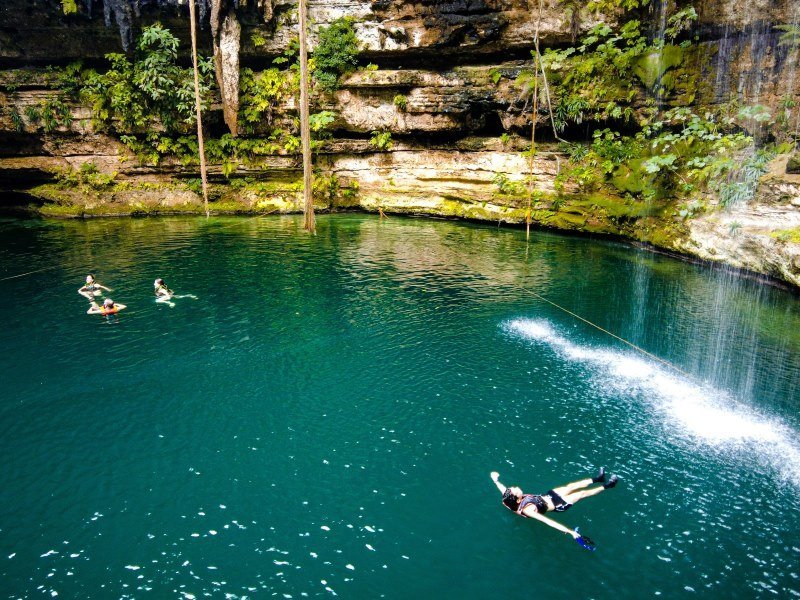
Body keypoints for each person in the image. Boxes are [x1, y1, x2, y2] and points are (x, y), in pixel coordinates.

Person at [490, 468, 618, 542]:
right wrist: (570, 531)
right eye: (515, 490)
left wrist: (495, 479)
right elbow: (548, 522)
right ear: (517, 499)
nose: (515, 487)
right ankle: (608, 485)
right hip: (558, 505)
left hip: (548, 496)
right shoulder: (528, 509)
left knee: (571, 486)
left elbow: (502, 488)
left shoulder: (509, 497)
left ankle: (598, 478)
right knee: (582, 493)